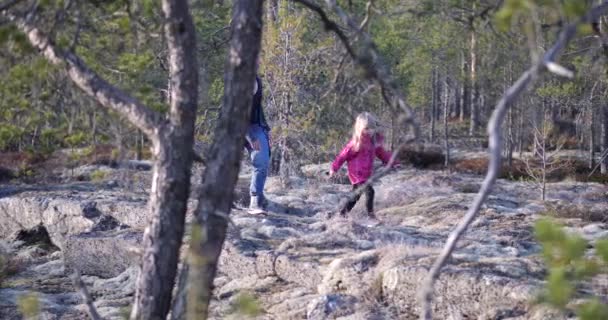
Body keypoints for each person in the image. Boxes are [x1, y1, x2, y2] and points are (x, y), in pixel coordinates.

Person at [329, 112, 399, 220]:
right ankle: (370, 216)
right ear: (360, 128)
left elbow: (382, 154)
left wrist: (393, 162)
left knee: (355, 196)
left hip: (366, 174)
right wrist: (334, 168)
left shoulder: (374, 142)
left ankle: (342, 214)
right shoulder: (355, 143)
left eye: (371, 128)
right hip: (357, 174)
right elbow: (342, 156)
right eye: (366, 129)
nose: (369, 131)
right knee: (370, 191)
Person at [245, 71, 271, 215]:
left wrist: (265, 127)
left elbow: (256, 108)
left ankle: (257, 198)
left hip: (254, 125)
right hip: (241, 125)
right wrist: (251, 137)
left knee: (262, 160)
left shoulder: (254, 78)